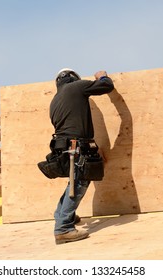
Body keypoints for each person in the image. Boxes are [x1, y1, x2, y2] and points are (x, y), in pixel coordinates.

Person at [49, 68, 114, 244]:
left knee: (74, 180)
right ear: (73, 78)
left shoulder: (55, 101)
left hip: (63, 147)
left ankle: (62, 215)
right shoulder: (76, 87)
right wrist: (102, 76)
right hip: (75, 146)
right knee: (79, 182)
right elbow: (106, 86)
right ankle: (63, 228)